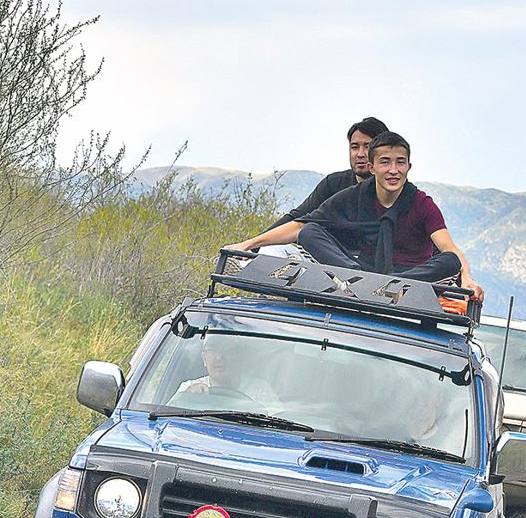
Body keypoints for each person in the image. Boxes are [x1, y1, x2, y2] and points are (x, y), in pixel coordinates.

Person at [228, 132, 484, 300]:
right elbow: (299, 226)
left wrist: (467, 278)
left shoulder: (421, 203)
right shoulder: (355, 196)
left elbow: (449, 248)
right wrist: (249, 245)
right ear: (372, 168)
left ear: (409, 166)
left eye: (400, 162)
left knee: (450, 261)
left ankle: (387, 285)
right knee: (310, 231)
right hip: (359, 272)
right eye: (385, 162)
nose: (393, 170)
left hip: (407, 278)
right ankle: (359, 281)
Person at [239, 117, 388, 249]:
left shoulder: (395, 191)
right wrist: (252, 246)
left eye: (367, 146)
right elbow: (298, 218)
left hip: (377, 266)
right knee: (299, 236)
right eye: (355, 147)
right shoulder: (334, 184)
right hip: (332, 258)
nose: (360, 154)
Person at [172, 336, 275, 404]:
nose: (219, 357)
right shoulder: (188, 388)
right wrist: (188, 397)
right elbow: (168, 419)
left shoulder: (260, 390)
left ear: (238, 357)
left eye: (227, 350)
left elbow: (278, 423)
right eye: (213, 350)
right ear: (204, 359)